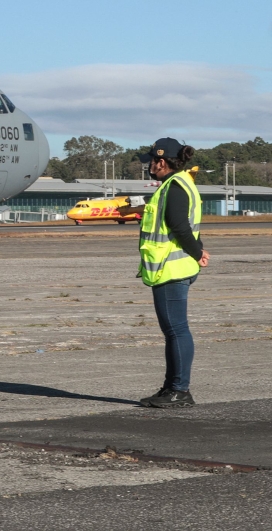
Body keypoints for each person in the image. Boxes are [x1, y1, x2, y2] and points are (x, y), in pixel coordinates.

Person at [129, 138, 208, 408]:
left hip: (170, 269)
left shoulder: (173, 187)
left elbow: (179, 226)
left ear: (161, 162)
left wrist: (198, 252)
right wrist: (199, 250)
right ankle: (170, 388)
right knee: (173, 331)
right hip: (175, 266)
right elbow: (187, 226)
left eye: (150, 160)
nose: (148, 165)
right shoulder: (180, 183)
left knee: (176, 330)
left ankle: (180, 390)